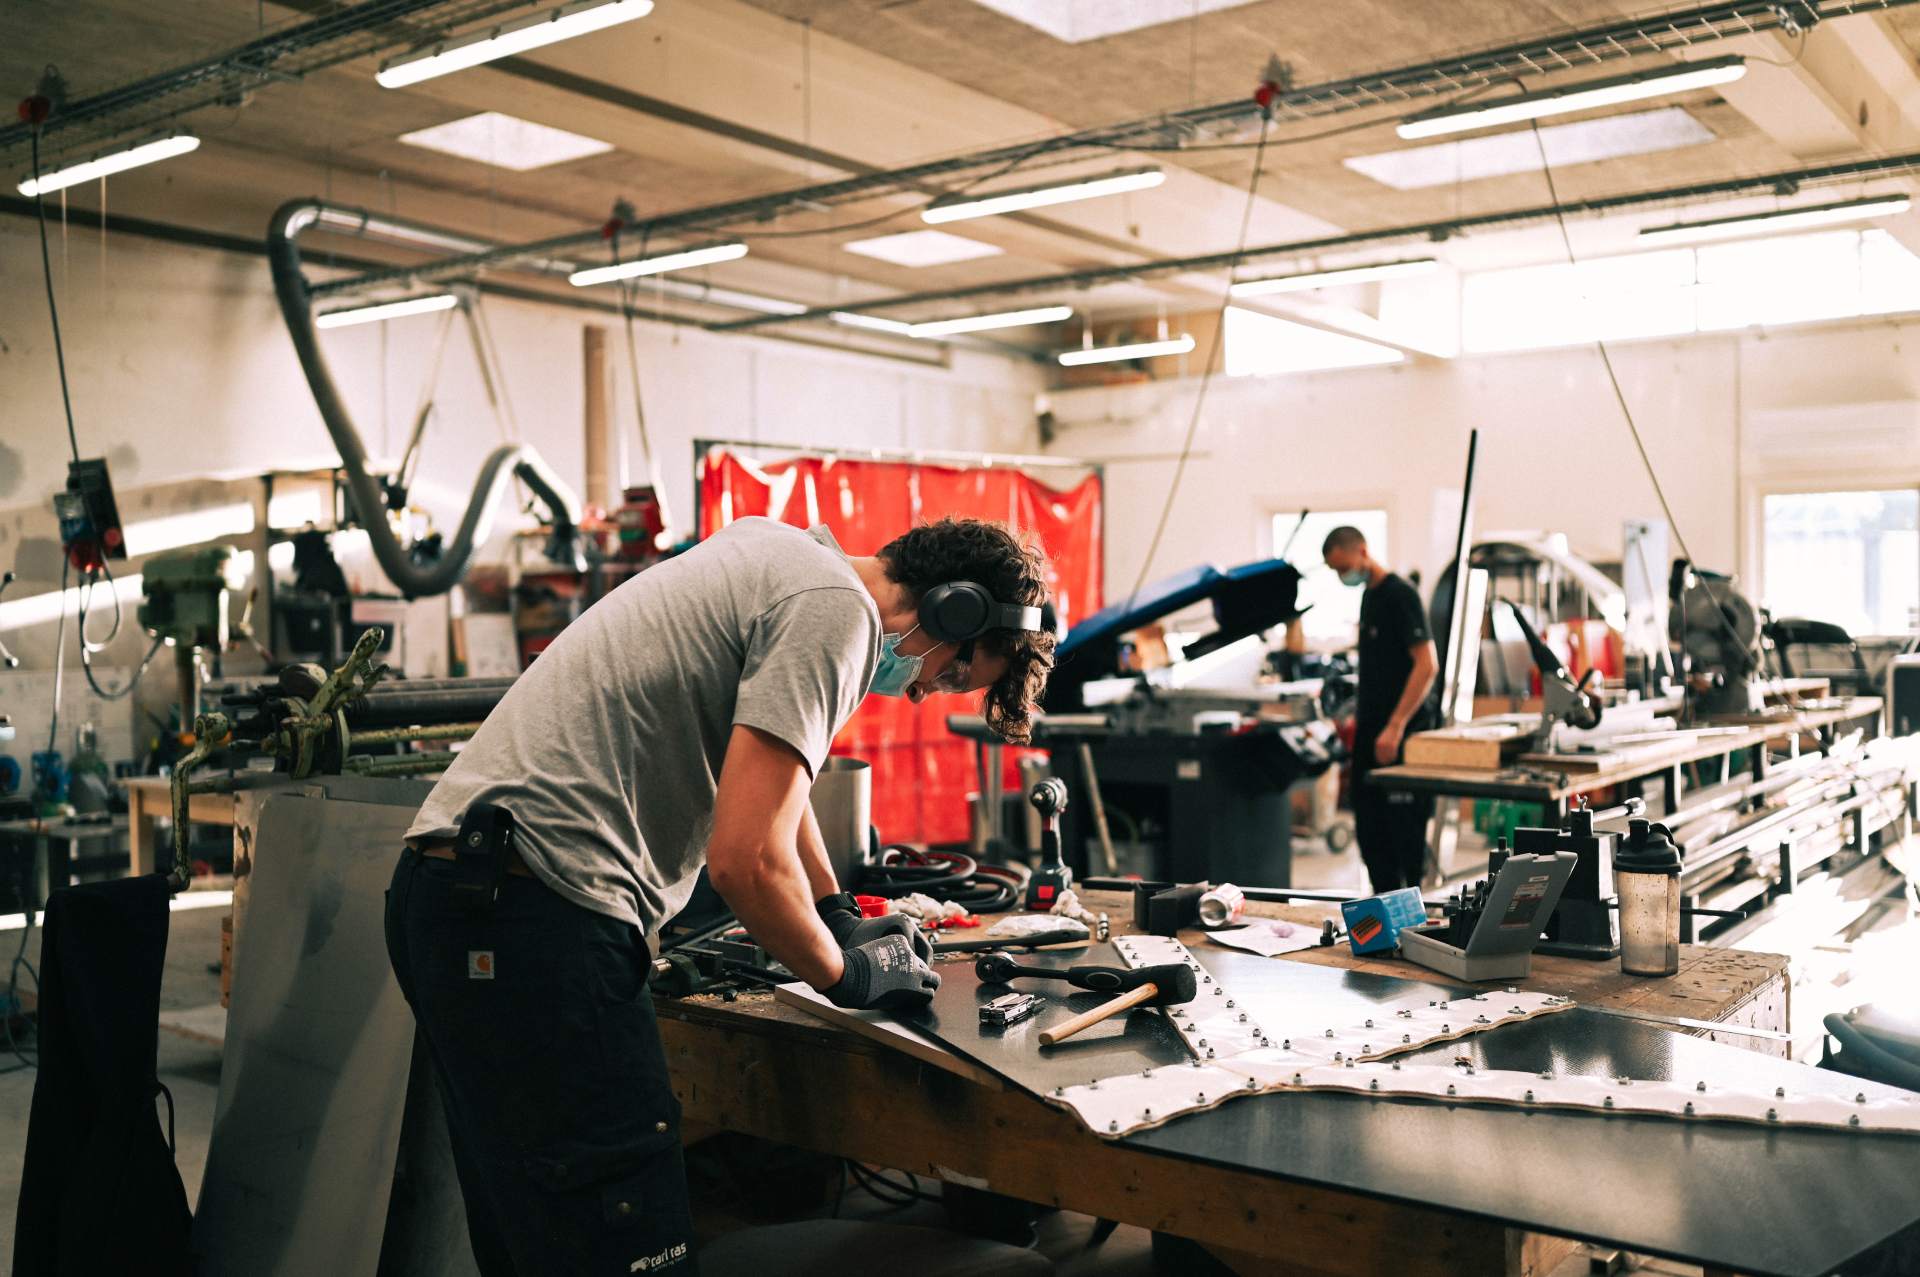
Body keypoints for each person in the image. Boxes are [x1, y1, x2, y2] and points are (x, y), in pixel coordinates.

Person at [385, 515, 1054, 1276]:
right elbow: (744, 859)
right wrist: (846, 976)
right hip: (541, 919)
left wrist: (835, 911)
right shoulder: (835, 611)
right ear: (952, 610)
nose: (925, 692)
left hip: (448, 902)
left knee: (537, 1241)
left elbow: (774, 788)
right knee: (633, 1247)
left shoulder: (784, 552)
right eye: (956, 674)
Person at [1322, 526, 1438, 893]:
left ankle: (1412, 921)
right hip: (1372, 731)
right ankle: (1386, 915)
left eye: (1344, 567)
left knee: (1403, 835)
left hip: (1400, 734)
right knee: (1371, 834)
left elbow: (1426, 666)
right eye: (1335, 572)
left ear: (1362, 550)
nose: (1343, 577)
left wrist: (1396, 726)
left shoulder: (1400, 595)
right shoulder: (1369, 597)